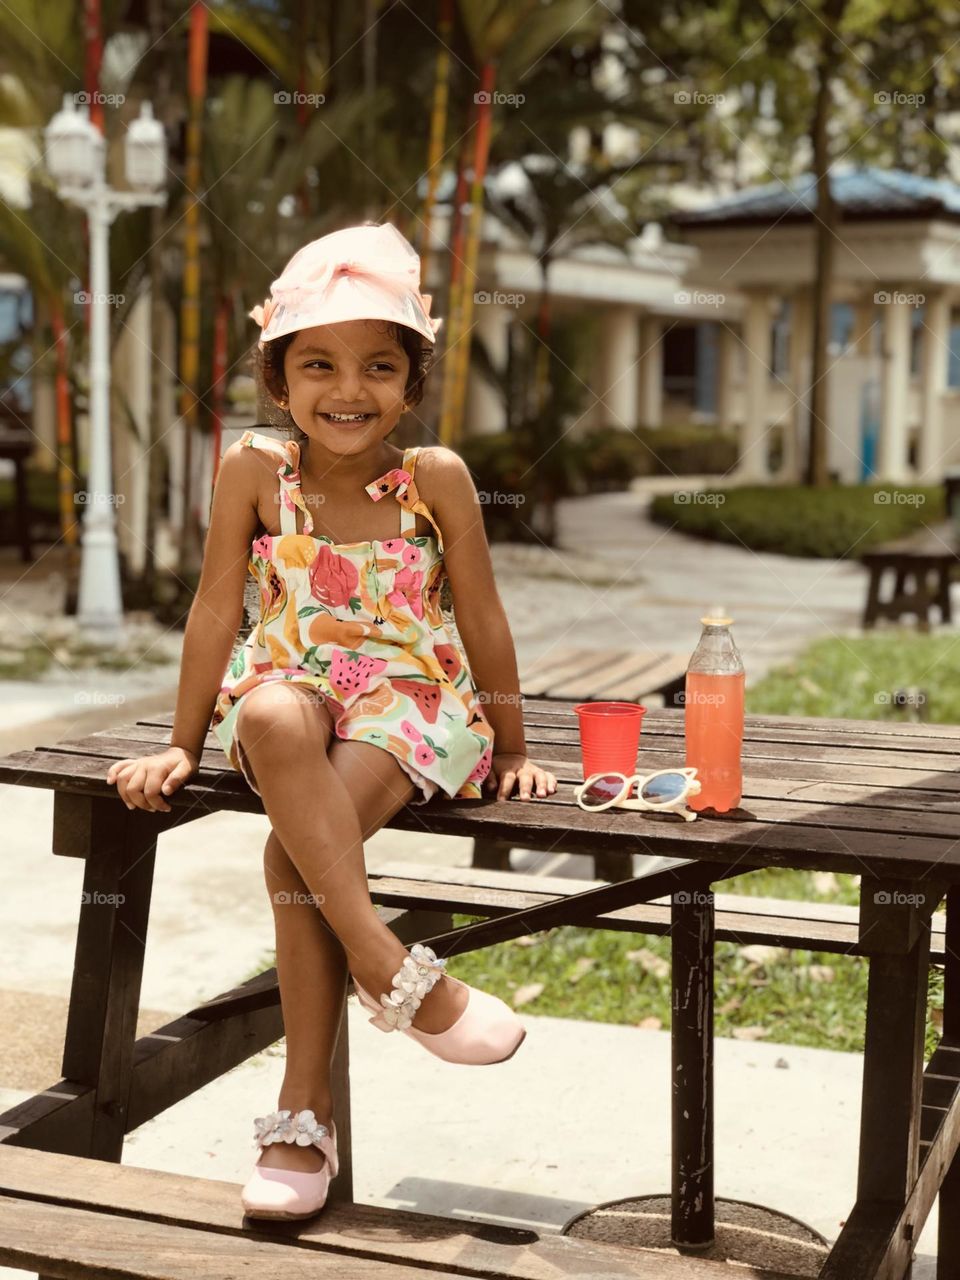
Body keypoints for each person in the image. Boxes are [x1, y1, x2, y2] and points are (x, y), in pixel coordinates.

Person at [105, 222, 558, 1222]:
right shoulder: (254, 471)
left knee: (294, 852)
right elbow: (215, 611)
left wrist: (516, 744)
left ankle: (302, 1110)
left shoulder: (434, 476)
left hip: (409, 698)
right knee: (270, 712)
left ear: (410, 384)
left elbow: (482, 613)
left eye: (378, 367)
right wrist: (181, 740)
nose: (348, 389)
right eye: (318, 364)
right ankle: (393, 970)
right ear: (278, 379)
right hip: (291, 683)